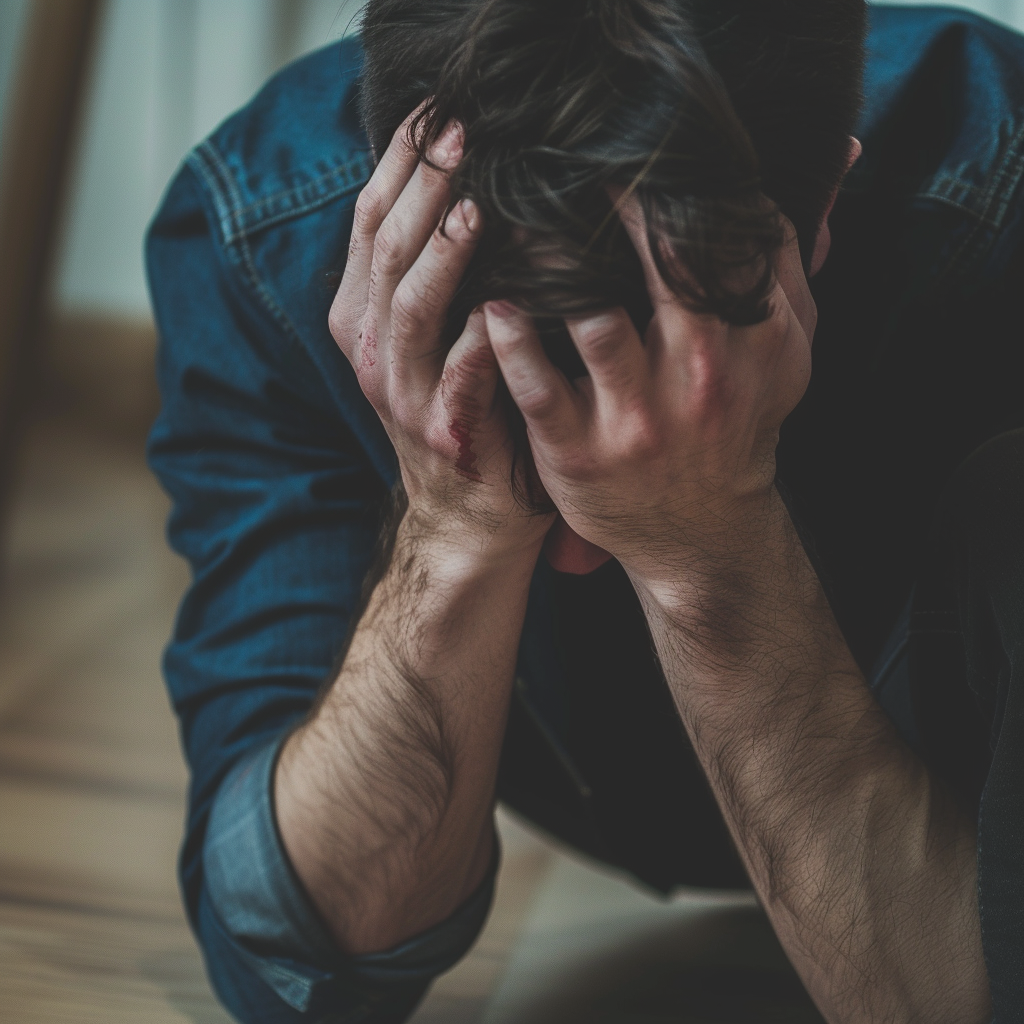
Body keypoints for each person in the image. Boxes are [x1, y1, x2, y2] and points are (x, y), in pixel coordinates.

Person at [146, 1, 1024, 1022]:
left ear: (825, 192)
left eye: (671, 392)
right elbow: (291, 959)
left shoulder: (998, 192)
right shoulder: (264, 238)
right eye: (521, 402)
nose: (581, 549)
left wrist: (712, 546)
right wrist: (451, 527)